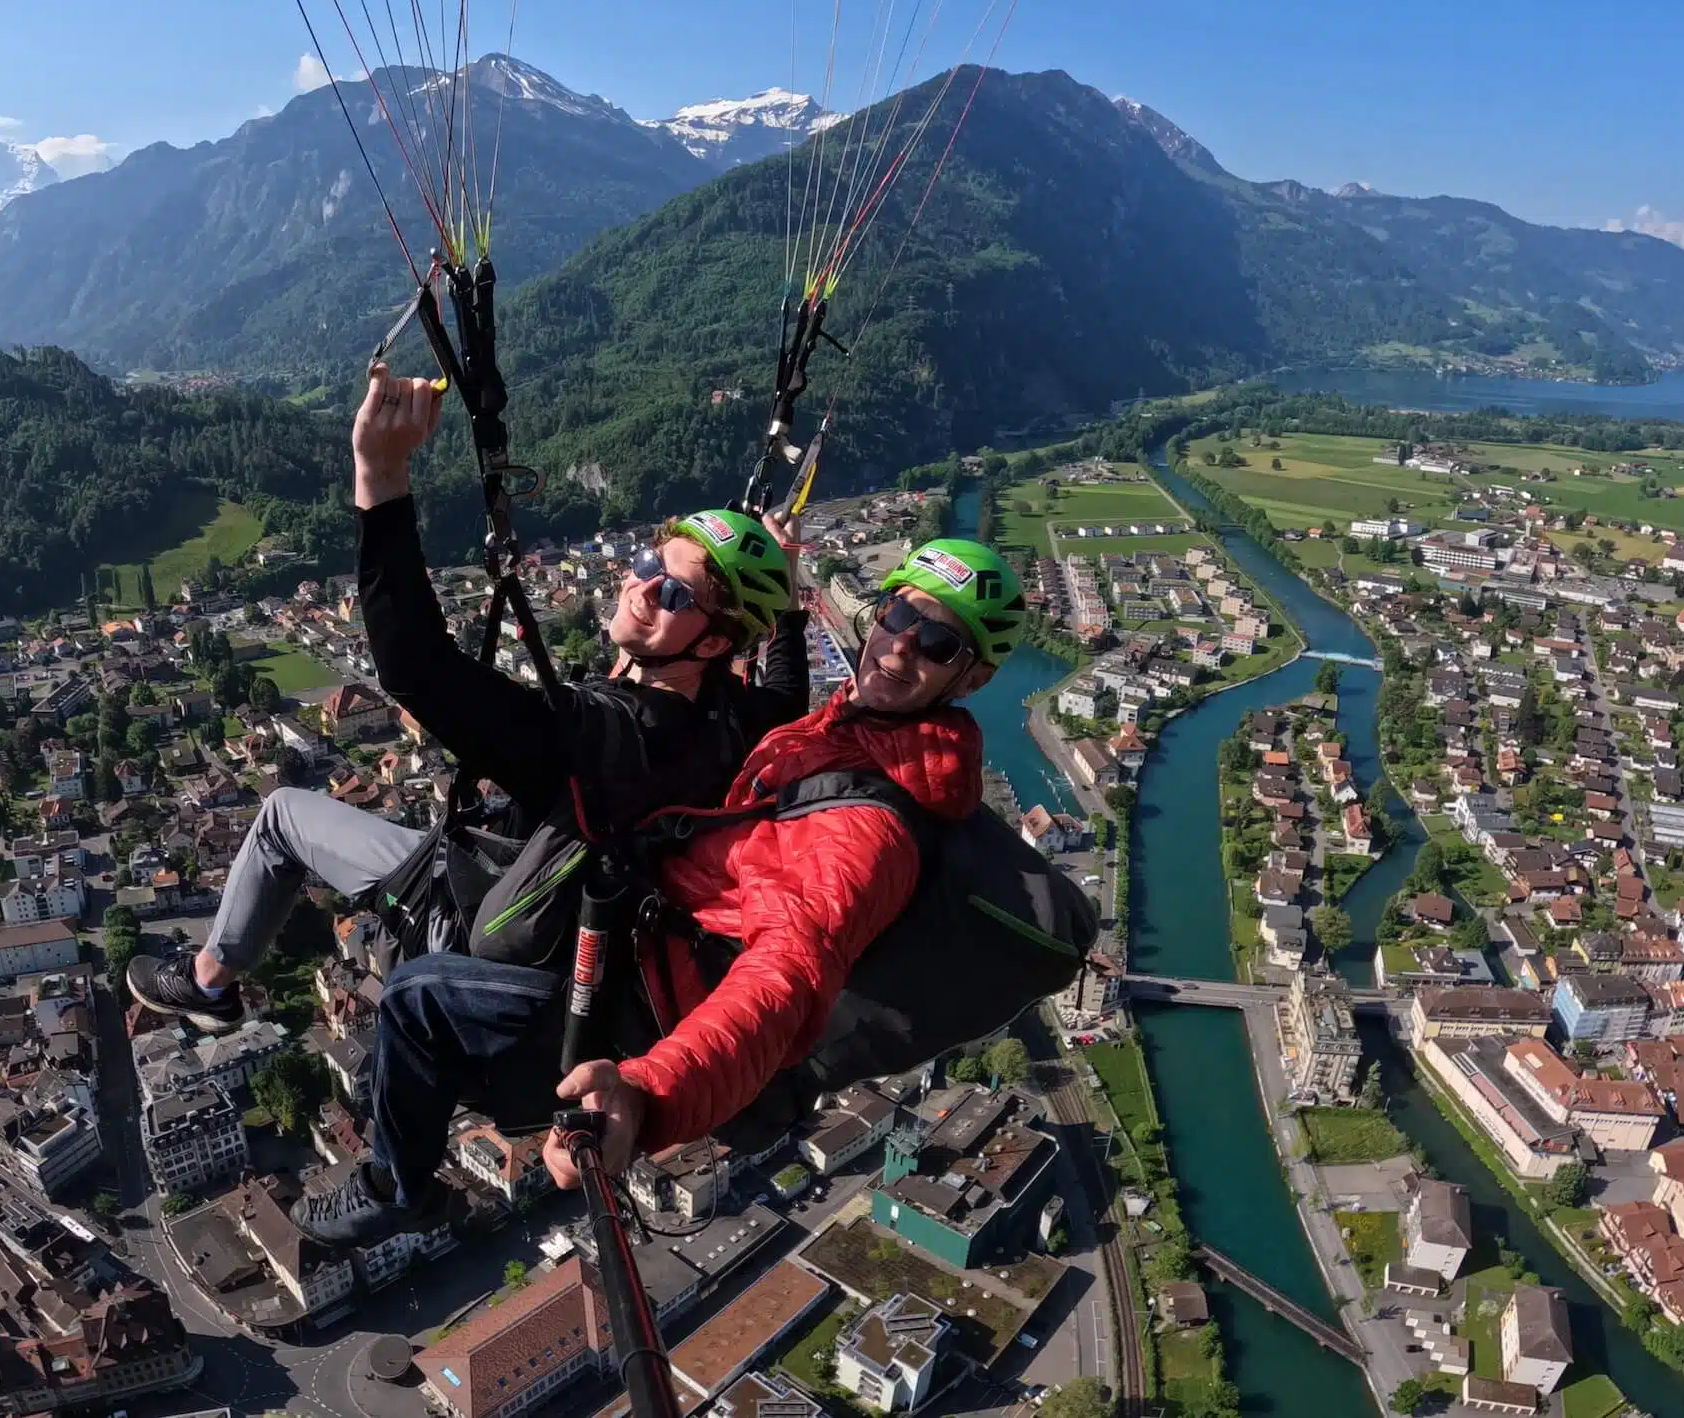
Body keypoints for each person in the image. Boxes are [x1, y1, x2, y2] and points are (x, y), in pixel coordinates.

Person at [293, 534, 1025, 1247]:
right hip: (643, 956)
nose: (898, 646)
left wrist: (647, 1093)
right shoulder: (842, 734)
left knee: (418, 996)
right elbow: (776, 706)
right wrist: (782, 614)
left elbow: (785, 979)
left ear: (972, 677)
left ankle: (396, 1188)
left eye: (937, 644)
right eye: (899, 615)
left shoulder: (868, 828)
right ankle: (395, 1102)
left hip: (634, 1018)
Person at [128, 363, 808, 1027]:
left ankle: (207, 982)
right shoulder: (732, 720)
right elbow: (786, 697)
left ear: (715, 643)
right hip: (561, 924)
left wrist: (381, 477)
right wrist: (789, 605)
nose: (642, 584)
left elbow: (417, 666)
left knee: (280, 815)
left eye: (675, 592)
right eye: (650, 561)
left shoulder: (591, 738)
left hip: (453, 914)